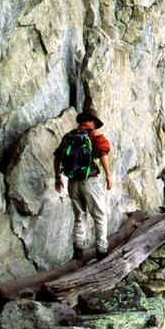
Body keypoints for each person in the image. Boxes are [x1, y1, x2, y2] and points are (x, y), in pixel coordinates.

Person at [53, 107, 114, 260]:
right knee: (100, 216)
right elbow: (103, 153)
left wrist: (58, 177)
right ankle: (102, 251)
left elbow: (57, 157)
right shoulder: (95, 135)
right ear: (93, 122)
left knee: (80, 216)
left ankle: (78, 251)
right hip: (90, 181)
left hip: (72, 182)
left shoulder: (69, 136)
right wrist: (108, 175)